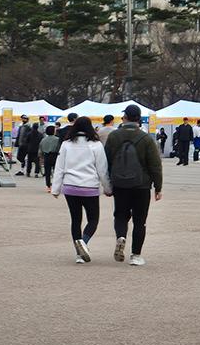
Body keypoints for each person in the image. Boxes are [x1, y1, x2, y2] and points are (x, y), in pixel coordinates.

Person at [105, 104, 163, 266]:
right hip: (141, 185)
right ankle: (136, 255)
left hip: (120, 184)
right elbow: (155, 165)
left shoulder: (114, 136)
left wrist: (108, 183)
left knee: (120, 216)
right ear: (139, 119)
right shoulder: (146, 138)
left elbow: (106, 161)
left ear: (125, 118)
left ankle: (121, 236)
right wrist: (158, 187)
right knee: (139, 220)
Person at [49, 116, 111, 264]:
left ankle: (79, 253)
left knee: (75, 220)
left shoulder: (66, 144)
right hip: (90, 187)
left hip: (70, 187)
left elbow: (59, 167)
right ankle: (84, 242)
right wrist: (108, 188)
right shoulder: (96, 145)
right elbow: (102, 169)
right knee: (93, 219)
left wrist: (55, 189)